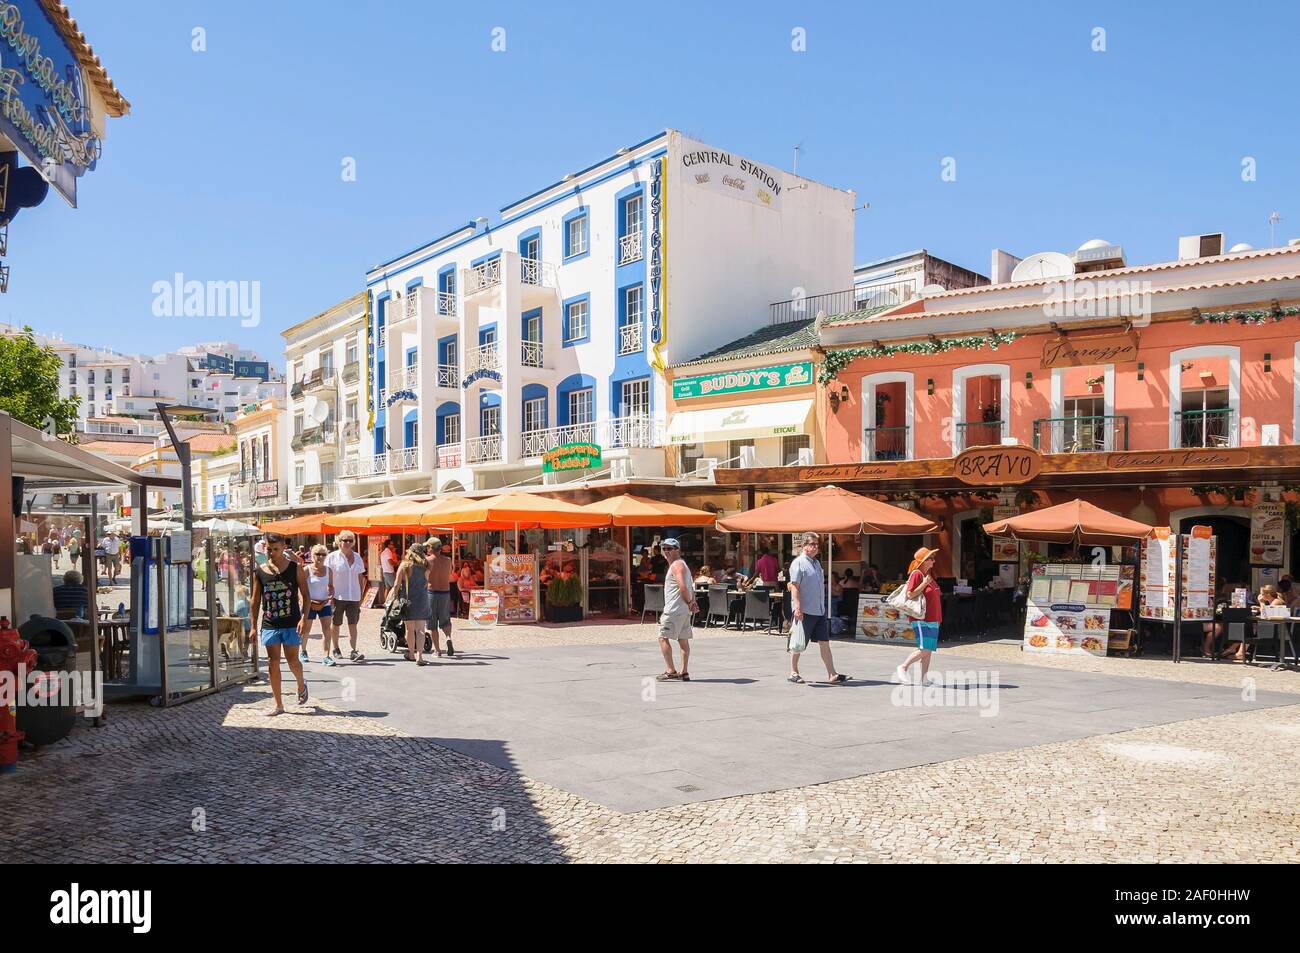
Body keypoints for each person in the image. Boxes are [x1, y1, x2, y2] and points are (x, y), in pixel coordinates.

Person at [250, 533, 310, 716]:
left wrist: (303, 618)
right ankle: (278, 705)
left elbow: (306, 596)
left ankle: (301, 683)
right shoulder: (259, 571)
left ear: (284, 548)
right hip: (270, 623)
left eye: (275, 549)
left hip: (291, 622)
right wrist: (253, 625)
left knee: (292, 661)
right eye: (269, 549)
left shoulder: (295, 568)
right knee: (272, 662)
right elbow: (255, 600)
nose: (272, 553)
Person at [787, 532, 848, 685]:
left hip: (819, 610)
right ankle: (793, 672)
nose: (815, 547)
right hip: (805, 610)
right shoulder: (798, 563)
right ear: (804, 546)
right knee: (799, 642)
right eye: (812, 544)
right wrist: (798, 608)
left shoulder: (816, 563)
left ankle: (832, 674)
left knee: (824, 642)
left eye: (817, 544)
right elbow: (794, 587)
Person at [896, 547, 942, 686]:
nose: (934, 561)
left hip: (933, 618)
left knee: (929, 650)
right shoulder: (917, 574)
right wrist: (924, 583)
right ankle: (903, 667)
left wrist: (938, 619)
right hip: (921, 618)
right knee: (925, 648)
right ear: (924, 560)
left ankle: (924, 678)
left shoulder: (927, 575)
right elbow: (910, 594)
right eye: (931, 558)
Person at [655, 538, 698, 681]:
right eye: (664, 548)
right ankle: (684, 672)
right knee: (683, 640)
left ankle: (671, 670)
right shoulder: (682, 564)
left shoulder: (676, 565)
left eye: (670, 548)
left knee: (663, 637)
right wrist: (691, 602)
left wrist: (690, 601)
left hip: (674, 609)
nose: (666, 551)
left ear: (677, 549)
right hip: (683, 610)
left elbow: (683, 587)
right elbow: (689, 586)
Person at [324, 530, 368, 662]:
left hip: (353, 596)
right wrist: (328, 593)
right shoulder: (332, 557)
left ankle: (353, 650)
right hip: (337, 596)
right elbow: (327, 576)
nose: (348, 543)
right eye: (345, 540)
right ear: (339, 541)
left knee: (353, 624)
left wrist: (361, 595)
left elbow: (360, 577)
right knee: (336, 623)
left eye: (350, 540)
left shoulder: (357, 557)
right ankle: (336, 648)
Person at [389, 543, 431, 664]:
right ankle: (420, 656)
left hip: (408, 600)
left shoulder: (405, 565)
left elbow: (396, 584)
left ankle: (411, 654)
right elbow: (426, 583)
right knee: (421, 629)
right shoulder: (426, 566)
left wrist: (395, 596)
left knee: (409, 630)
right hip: (422, 599)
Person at [302, 544, 333, 665]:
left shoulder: (328, 570)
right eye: (317, 554)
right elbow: (301, 588)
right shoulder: (306, 570)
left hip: (324, 603)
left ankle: (326, 656)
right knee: (306, 629)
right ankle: (303, 650)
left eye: (323, 554)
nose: (320, 557)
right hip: (309, 603)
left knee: (327, 629)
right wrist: (305, 602)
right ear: (312, 555)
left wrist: (331, 595)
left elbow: (331, 586)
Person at [424, 537, 455, 658]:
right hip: (445, 592)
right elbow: (449, 574)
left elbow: (424, 577)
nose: (427, 548)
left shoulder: (427, 561)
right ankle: (448, 637)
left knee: (432, 624)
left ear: (431, 548)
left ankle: (437, 651)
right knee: (445, 620)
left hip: (432, 593)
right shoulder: (448, 560)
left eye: (428, 546)